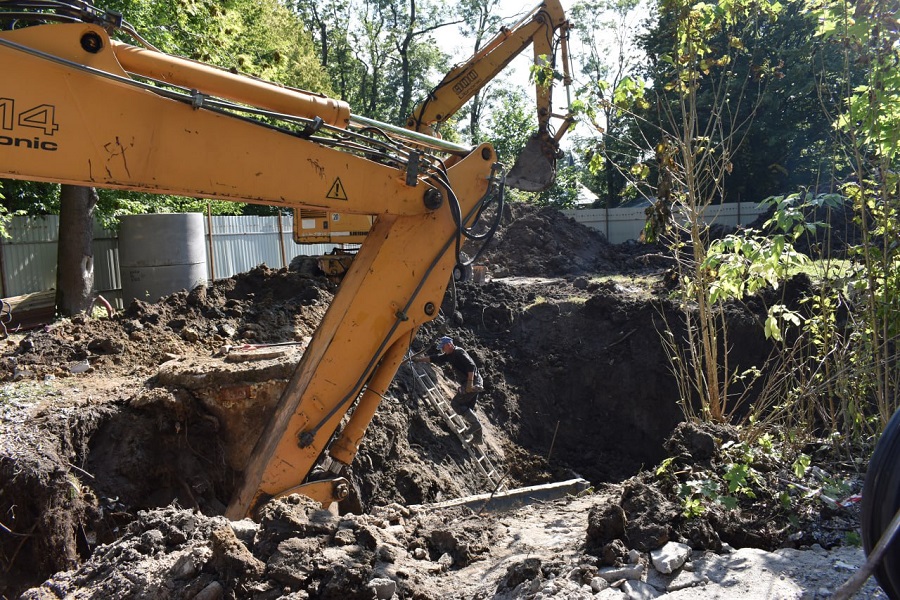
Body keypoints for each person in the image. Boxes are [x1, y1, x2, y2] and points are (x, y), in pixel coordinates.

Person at [413, 336, 485, 445]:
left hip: (473, 382)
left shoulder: (459, 352)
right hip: (471, 382)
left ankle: (476, 426)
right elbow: (436, 358)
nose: (442, 350)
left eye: (443, 347)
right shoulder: (449, 355)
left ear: (449, 345)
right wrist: (419, 360)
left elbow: (471, 366)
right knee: (468, 407)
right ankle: (478, 438)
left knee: (456, 404)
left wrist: (470, 384)